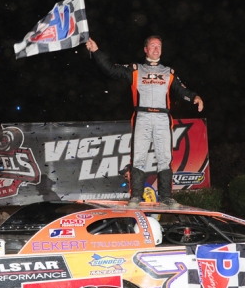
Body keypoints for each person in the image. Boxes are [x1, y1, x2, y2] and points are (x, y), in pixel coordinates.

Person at [86, 36, 204, 209]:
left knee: (165, 158)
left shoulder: (169, 72)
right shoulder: (135, 69)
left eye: (159, 46)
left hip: (163, 118)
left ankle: (166, 197)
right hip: (142, 116)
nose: (156, 49)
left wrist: (195, 97)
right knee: (138, 158)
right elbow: (111, 70)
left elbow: (181, 90)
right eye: (152, 46)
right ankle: (135, 197)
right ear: (146, 49)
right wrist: (96, 51)